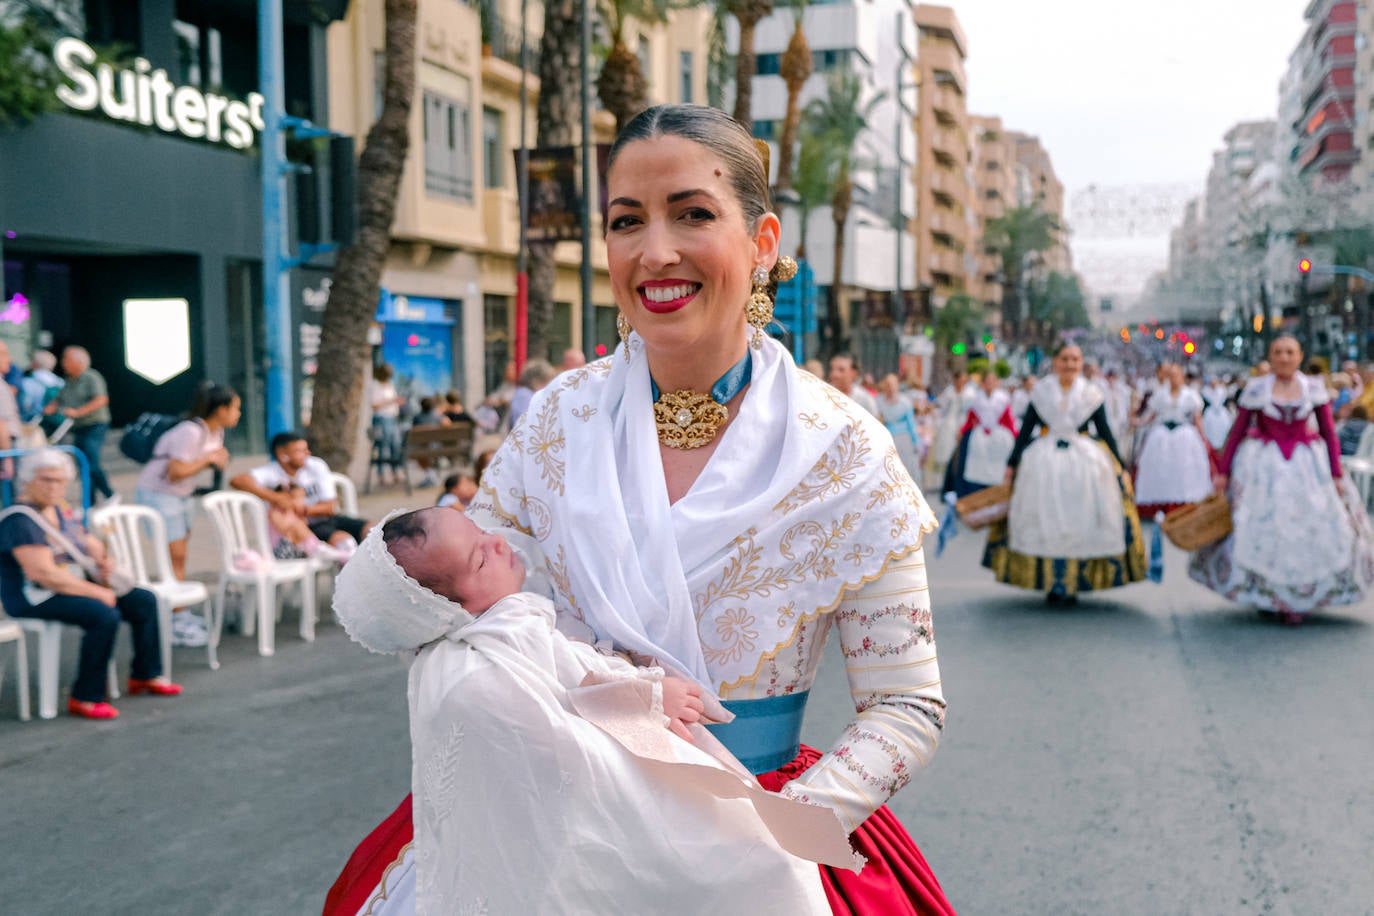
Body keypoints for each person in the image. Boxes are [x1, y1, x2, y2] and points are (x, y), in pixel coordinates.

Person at [325, 103, 954, 916]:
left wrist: (773, 834)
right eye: (627, 222)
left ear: (762, 243)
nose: (656, 252)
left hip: (756, 838)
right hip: (547, 834)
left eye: (692, 214)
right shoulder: (555, 423)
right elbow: (462, 625)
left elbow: (907, 704)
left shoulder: (846, 453)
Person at [334, 508, 852, 914]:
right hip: (581, 810)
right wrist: (648, 697)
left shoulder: (501, 628)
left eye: (479, 531)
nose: (497, 543)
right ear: (447, 608)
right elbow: (564, 729)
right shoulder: (479, 668)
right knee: (743, 860)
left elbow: (571, 676)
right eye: (478, 559)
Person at [1190, 335, 1374, 624]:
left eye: (1290, 352)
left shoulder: (1312, 389)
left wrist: (1336, 474)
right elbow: (1237, 431)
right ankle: (1269, 593)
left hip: (1307, 468)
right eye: (1278, 352)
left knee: (1307, 530)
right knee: (1263, 531)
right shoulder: (1257, 389)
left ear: (1299, 356)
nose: (1284, 357)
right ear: (1271, 356)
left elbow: (1328, 432)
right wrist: (1223, 472)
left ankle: (1301, 597)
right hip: (1263, 470)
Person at [0, 448, 182, 718]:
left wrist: (102, 558)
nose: (54, 487)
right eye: (46, 480)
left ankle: (145, 674)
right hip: (35, 597)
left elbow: (85, 542)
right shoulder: (20, 519)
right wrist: (95, 592)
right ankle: (85, 696)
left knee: (144, 601)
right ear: (28, 480)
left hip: (69, 584)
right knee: (103, 615)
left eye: (60, 481)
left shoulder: (60, 510)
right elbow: (43, 574)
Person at [983, 343, 1146, 602]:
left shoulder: (1091, 394)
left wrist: (1121, 465)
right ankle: (1050, 579)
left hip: (1084, 464)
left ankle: (1076, 579)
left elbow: (1104, 431)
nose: (1070, 365)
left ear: (1081, 364)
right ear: (1056, 362)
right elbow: (1026, 431)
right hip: (1044, 462)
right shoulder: (1041, 392)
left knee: (1081, 520)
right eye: (1065, 359)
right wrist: (1012, 464)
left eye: (1075, 360)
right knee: (1044, 520)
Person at [133, 383, 239, 648]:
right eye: (235, 408)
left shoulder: (215, 433)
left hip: (181, 496)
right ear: (221, 409)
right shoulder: (190, 432)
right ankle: (175, 619)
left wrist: (215, 459)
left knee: (179, 555)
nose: (239, 413)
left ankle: (177, 610)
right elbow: (175, 472)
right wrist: (209, 460)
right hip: (160, 493)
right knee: (174, 556)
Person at [230, 432, 371, 549]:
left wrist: (301, 508)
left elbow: (329, 507)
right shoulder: (272, 471)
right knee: (345, 543)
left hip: (330, 518)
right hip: (307, 526)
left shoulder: (316, 465)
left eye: (306, 449)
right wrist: (276, 498)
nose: (307, 454)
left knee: (375, 530)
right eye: (300, 451)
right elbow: (237, 481)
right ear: (283, 455)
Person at [1132, 364, 1212, 518]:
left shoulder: (1190, 395)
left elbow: (1197, 420)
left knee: (1185, 470)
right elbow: (1150, 417)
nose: (1174, 379)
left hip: (1184, 437)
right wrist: (1136, 421)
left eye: (1177, 375)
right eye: (1171, 375)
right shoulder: (1160, 395)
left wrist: (1204, 440)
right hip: (1162, 437)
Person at [46, 346, 115, 504]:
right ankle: (89, 501)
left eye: (66, 359)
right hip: (78, 427)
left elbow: (101, 399)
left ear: (78, 361)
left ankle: (109, 494)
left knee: (91, 461)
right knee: (83, 463)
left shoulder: (91, 377)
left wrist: (79, 412)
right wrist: (52, 407)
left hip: (95, 425)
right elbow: (59, 399)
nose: (63, 363)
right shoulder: (69, 381)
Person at [942, 368, 1017, 499]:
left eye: (993, 381)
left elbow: (1008, 420)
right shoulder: (977, 400)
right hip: (979, 439)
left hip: (999, 440)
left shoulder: (1003, 400)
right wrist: (963, 431)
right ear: (982, 384)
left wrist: (1015, 436)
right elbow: (971, 419)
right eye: (987, 381)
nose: (990, 384)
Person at [875, 373, 923, 481]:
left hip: (903, 441)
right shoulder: (879, 401)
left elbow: (911, 424)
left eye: (893, 384)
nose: (890, 388)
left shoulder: (905, 402)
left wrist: (916, 443)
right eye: (888, 385)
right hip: (887, 440)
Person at [369, 364, 405, 486]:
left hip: (392, 417)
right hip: (381, 418)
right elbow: (375, 405)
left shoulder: (390, 384)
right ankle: (381, 475)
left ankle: (395, 472)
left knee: (395, 445)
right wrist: (392, 401)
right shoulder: (375, 385)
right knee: (382, 447)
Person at [507, 359, 555, 429]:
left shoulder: (526, 393)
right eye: (547, 382)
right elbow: (524, 425)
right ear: (536, 381)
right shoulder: (524, 395)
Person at [19, 349, 63, 423]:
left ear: (34, 364)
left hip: (31, 422)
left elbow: (25, 406)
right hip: (55, 422)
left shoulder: (27, 382)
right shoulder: (60, 382)